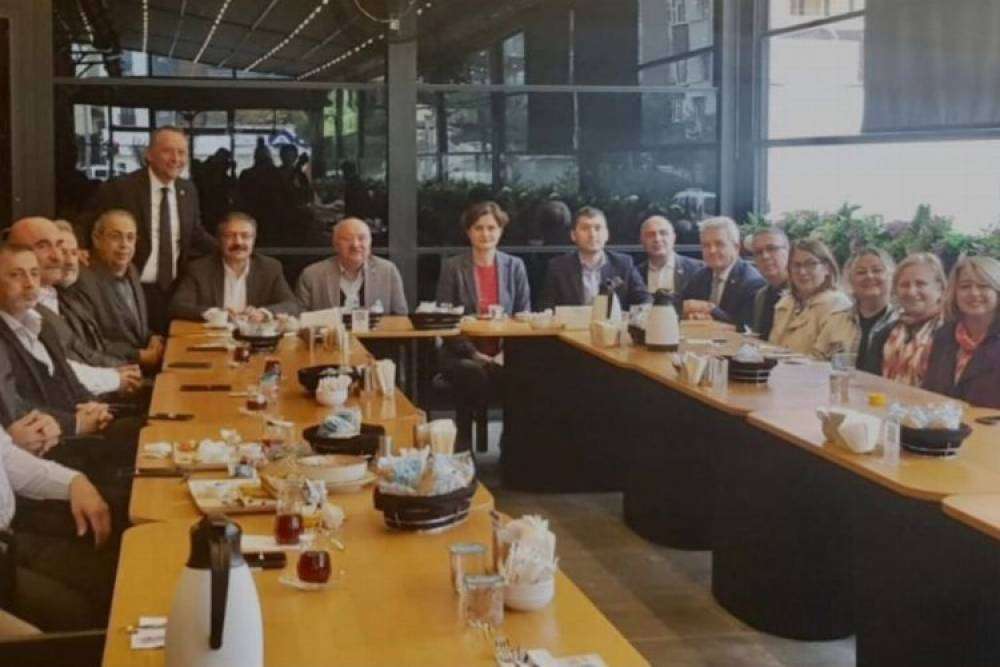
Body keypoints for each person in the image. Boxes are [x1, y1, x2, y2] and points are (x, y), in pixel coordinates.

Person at [80, 126, 216, 333]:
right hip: (131, 289)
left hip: (175, 292)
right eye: (168, 151)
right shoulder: (121, 188)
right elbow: (87, 222)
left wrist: (228, 250)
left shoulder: (187, 190)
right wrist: (79, 248)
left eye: (181, 152)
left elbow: (195, 234)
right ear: (149, 154)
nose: (176, 159)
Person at [0, 244, 127, 465]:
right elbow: (13, 406)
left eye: (34, 273)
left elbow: (70, 379)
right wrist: (74, 423)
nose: (29, 283)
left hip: (83, 439)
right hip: (44, 454)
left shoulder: (43, 324)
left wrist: (94, 407)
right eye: (16, 275)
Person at [0, 423, 117, 630]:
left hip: (11, 536)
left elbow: (6, 456)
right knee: (76, 613)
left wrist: (73, 481)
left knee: (111, 574)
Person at [7, 218, 142, 396]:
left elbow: (80, 352)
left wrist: (121, 372)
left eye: (61, 247)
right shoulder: (20, 307)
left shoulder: (60, 295)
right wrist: (117, 376)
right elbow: (53, 372)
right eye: (43, 246)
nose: (58, 257)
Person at [435, 202, 530, 451]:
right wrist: (474, 354)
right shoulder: (453, 267)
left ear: (501, 231)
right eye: (478, 228)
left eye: (491, 228)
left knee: (524, 374)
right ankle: (464, 445)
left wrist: (503, 354)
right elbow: (446, 319)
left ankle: (512, 446)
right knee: (470, 372)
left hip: (504, 353)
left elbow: (523, 316)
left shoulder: (515, 266)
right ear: (468, 232)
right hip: (461, 353)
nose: (485, 234)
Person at [70, 210, 165, 371]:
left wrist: (152, 338)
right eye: (115, 237)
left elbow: (134, 329)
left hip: (143, 368)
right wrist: (139, 356)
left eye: (130, 237)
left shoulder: (132, 270)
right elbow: (91, 343)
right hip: (115, 373)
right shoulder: (82, 281)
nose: (124, 245)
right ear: (96, 239)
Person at [169, 212, 300, 321]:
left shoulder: (269, 268)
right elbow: (178, 306)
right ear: (219, 240)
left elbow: (291, 305)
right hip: (211, 337)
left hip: (253, 337)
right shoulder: (200, 269)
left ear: (254, 240)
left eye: (245, 236)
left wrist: (263, 313)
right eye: (230, 236)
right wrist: (215, 314)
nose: (238, 242)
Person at [923, 255, 1000, 408]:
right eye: (965, 286)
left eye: (983, 286)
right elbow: (930, 392)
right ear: (954, 292)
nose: (974, 293)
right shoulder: (943, 336)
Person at [861, 252, 947, 386]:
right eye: (905, 285)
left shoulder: (951, 335)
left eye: (920, 284)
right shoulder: (883, 335)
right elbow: (869, 384)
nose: (911, 292)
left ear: (940, 289)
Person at [539, 207, 650, 310]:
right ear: (573, 235)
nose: (592, 234)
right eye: (585, 228)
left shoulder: (623, 264)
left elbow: (644, 300)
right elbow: (546, 308)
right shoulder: (558, 267)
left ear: (607, 234)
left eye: (597, 228)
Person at [295, 217, 408, 314]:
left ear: (370, 242)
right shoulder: (312, 275)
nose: (355, 245)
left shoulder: (387, 271)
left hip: (377, 334)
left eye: (361, 238)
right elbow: (299, 319)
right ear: (335, 245)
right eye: (347, 239)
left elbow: (401, 317)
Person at [768, 239, 854, 359]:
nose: (802, 272)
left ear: (827, 268)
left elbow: (826, 360)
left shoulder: (838, 307)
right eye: (796, 265)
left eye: (811, 264)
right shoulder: (786, 303)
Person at [681, 216, 766, 329]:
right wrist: (691, 315)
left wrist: (710, 309)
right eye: (706, 245)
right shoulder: (700, 276)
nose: (712, 250)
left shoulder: (751, 282)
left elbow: (744, 327)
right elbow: (682, 306)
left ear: (736, 247)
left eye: (719, 244)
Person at [829, 247, 896, 363]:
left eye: (877, 270)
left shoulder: (901, 322)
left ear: (892, 277)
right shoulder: (836, 320)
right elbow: (817, 361)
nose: (869, 276)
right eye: (861, 272)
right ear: (850, 280)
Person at [636, 215, 703, 295]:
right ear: (642, 240)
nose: (657, 239)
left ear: (673, 238)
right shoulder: (635, 274)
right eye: (650, 235)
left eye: (663, 233)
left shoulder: (698, 269)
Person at [748, 228, 790, 338]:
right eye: (758, 252)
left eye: (771, 249)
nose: (765, 256)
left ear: (788, 252)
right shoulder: (761, 296)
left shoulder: (800, 294)